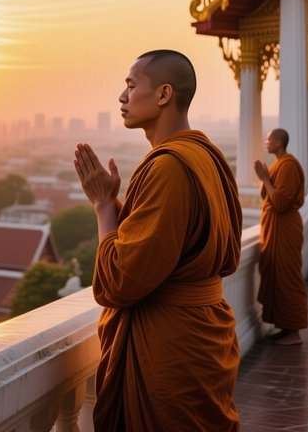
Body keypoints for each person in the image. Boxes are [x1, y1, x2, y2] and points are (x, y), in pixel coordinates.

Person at [73, 49, 242, 431]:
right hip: (202, 331)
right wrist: (118, 203)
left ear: (164, 95)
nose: (122, 96)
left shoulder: (169, 167)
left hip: (171, 346)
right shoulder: (205, 155)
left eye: (132, 86)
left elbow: (120, 280)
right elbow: (173, 242)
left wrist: (103, 206)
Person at [253, 128, 308, 346]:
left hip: (285, 228)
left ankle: (294, 332)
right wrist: (265, 178)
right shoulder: (277, 165)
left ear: (278, 142)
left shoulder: (288, 166)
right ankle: (284, 328)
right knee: (276, 275)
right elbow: (267, 195)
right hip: (274, 227)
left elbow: (281, 203)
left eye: (269, 139)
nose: (266, 142)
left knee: (287, 277)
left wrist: (265, 178)